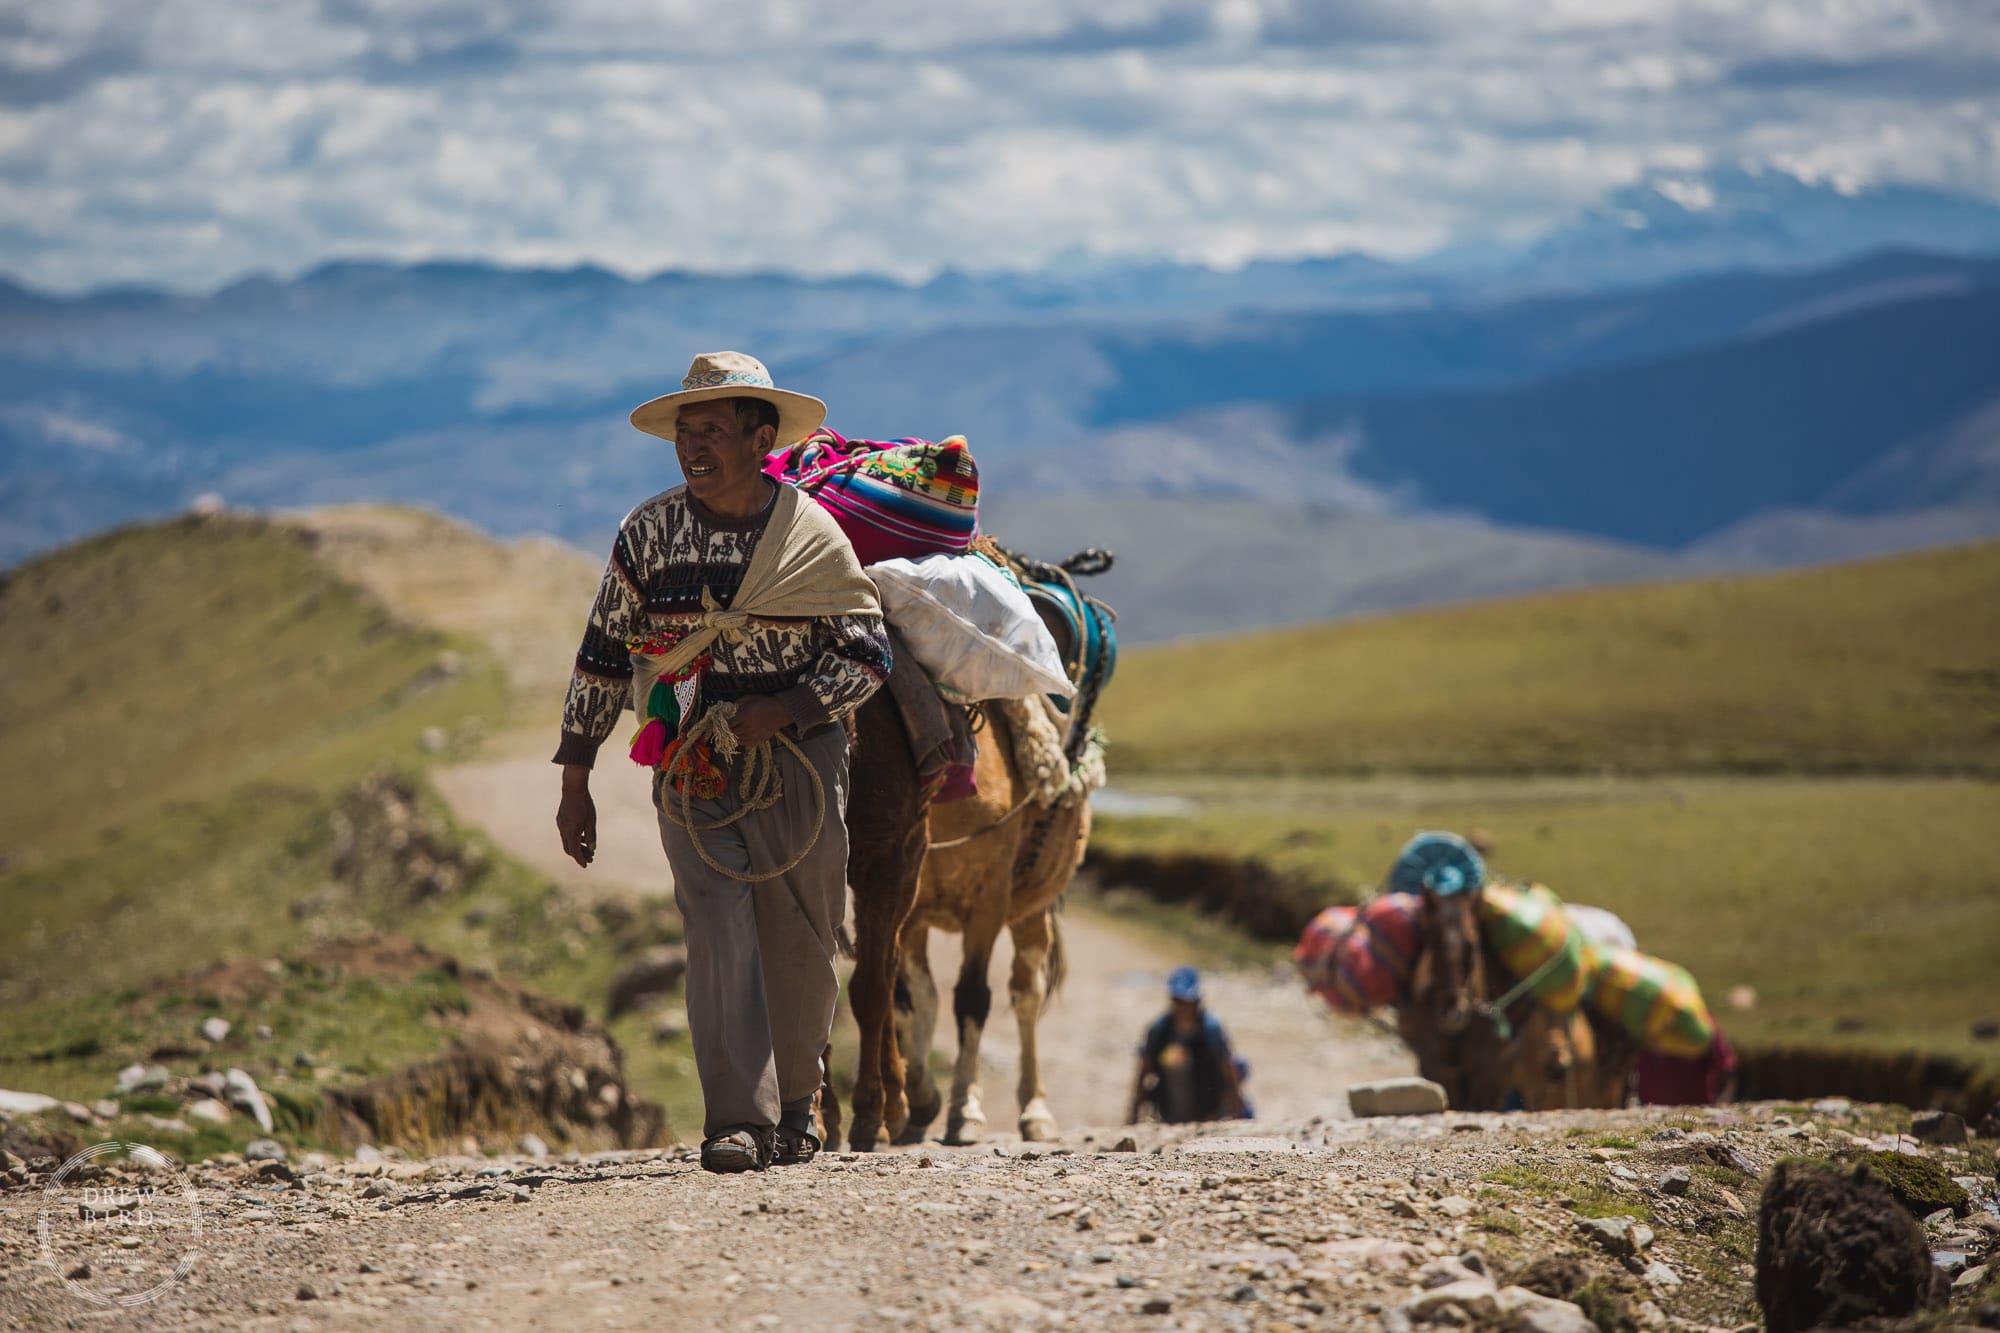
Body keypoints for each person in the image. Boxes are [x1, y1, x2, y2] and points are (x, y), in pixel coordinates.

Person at [553, 351, 891, 1174]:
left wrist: (792, 708)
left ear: (760, 437)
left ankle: (801, 1107)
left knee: (801, 928)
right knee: (716, 922)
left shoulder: (810, 536)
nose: (693, 447)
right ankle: (737, 1118)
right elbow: (603, 653)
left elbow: (868, 652)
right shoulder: (648, 533)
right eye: (684, 432)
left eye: (712, 430)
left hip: (798, 760)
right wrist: (576, 777)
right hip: (691, 757)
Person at [1128, 967, 1247, 1125]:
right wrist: (1133, 1115)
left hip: (1209, 1116)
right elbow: (1144, 1072)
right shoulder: (1159, 1031)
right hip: (1169, 1115)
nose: (1183, 1006)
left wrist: (1236, 1113)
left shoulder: (1211, 1030)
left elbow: (1229, 1073)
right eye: (1178, 1000)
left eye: (1187, 1001)